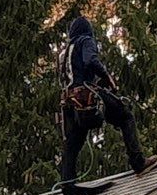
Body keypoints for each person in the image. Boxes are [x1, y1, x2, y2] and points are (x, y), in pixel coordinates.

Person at [57, 14, 147, 185]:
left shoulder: (64, 51)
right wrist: (107, 77)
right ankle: (138, 162)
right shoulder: (86, 40)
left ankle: (68, 187)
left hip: (70, 101)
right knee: (125, 116)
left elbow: (65, 77)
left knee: (72, 143)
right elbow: (90, 60)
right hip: (87, 94)